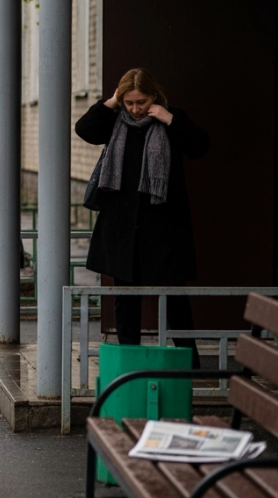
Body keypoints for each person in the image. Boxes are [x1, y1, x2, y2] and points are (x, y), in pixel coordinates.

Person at [75, 68, 209, 368]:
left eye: (142, 101)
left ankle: (190, 362)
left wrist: (169, 119)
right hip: (122, 225)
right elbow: (84, 129)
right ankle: (128, 362)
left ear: (154, 96)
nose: (135, 109)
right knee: (125, 297)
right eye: (129, 102)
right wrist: (110, 102)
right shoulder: (114, 122)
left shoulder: (170, 119)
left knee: (174, 296)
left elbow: (200, 146)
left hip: (163, 225)